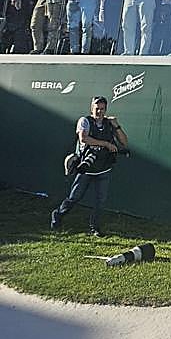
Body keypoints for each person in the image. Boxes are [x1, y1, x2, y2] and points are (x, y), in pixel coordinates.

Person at [51, 96, 129, 237]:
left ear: (106, 109)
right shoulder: (84, 121)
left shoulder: (108, 123)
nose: (99, 111)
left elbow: (124, 142)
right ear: (91, 108)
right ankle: (58, 215)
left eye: (102, 109)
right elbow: (83, 138)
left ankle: (95, 227)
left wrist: (116, 125)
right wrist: (106, 144)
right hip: (85, 169)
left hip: (103, 169)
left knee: (100, 201)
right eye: (97, 108)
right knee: (74, 197)